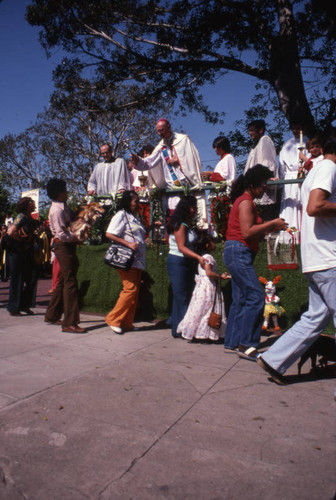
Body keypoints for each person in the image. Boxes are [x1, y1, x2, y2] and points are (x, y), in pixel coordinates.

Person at [257, 140, 336, 384]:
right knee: (316, 317)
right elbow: (315, 207)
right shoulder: (329, 168)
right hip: (329, 258)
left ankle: (275, 359)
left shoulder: (314, 171)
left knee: (316, 317)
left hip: (316, 259)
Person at [223, 165, 288, 361]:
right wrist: (273, 223)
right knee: (255, 297)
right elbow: (247, 231)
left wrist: (267, 229)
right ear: (252, 185)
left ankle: (233, 342)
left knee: (241, 298)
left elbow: (251, 231)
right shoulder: (245, 202)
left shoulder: (245, 201)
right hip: (238, 251)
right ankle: (247, 344)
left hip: (237, 251)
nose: (264, 190)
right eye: (262, 186)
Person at [44, 178, 87, 334]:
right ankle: (69, 322)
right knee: (70, 282)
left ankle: (51, 314)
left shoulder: (64, 207)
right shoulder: (56, 210)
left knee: (63, 279)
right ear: (59, 192)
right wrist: (77, 238)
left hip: (67, 245)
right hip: (63, 245)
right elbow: (61, 234)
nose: (67, 192)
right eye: (65, 189)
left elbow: (73, 219)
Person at [177, 230, 230, 342]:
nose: (214, 244)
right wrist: (220, 276)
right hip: (208, 286)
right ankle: (206, 332)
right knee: (208, 308)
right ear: (207, 245)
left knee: (199, 308)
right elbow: (209, 273)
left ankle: (193, 331)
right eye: (212, 242)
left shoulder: (202, 257)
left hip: (201, 287)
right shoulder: (208, 257)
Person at [105, 191, 146, 334]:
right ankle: (113, 318)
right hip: (126, 258)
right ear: (128, 201)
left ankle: (126, 322)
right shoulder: (121, 215)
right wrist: (128, 244)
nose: (137, 204)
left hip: (137, 260)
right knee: (130, 289)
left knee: (134, 292)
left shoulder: (133, 217)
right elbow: (109, 233)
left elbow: (139, 235)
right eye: (135, 201)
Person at [166, 196, 206, 338]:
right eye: (191, 207)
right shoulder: (180, 224)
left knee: (183, 295)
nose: (194, 210)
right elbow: (181, 247)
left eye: (194, 207)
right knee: (181, 296)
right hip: (178, 261)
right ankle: (183, 328)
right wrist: (198, 257)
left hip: (187, 262)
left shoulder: (187, 224)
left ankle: (178, 327)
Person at [4, 197, 39, 316]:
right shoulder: (21, 216)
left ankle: (25, 304)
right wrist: (20, 241)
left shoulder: (30, 217)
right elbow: (11, 232)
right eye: (30, 202)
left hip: (26, 251)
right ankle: (14, 307)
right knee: (17, 279)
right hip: (17, 251)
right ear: (25, 205)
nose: (33, 204)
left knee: (31, 277)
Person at [244, 120, 278, 220]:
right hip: (255, 191)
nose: (250, 133)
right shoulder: (255, 145)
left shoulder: (265, 140)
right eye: (249, 131)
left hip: (263, 191)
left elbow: (267, 163)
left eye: (252, 130)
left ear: (261, 130)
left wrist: (266, 178)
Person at [279, 122, 308, 231]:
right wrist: (282, 183)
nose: (295, 130)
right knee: (290, 205)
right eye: (293, 128)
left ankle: (302, 232)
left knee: (301, 203)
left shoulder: (308, 142)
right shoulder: (287, 145)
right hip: (289, 178)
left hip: (302, 177)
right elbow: (282, 166)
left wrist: (304, 170)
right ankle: (289, 233)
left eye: (298, 128)